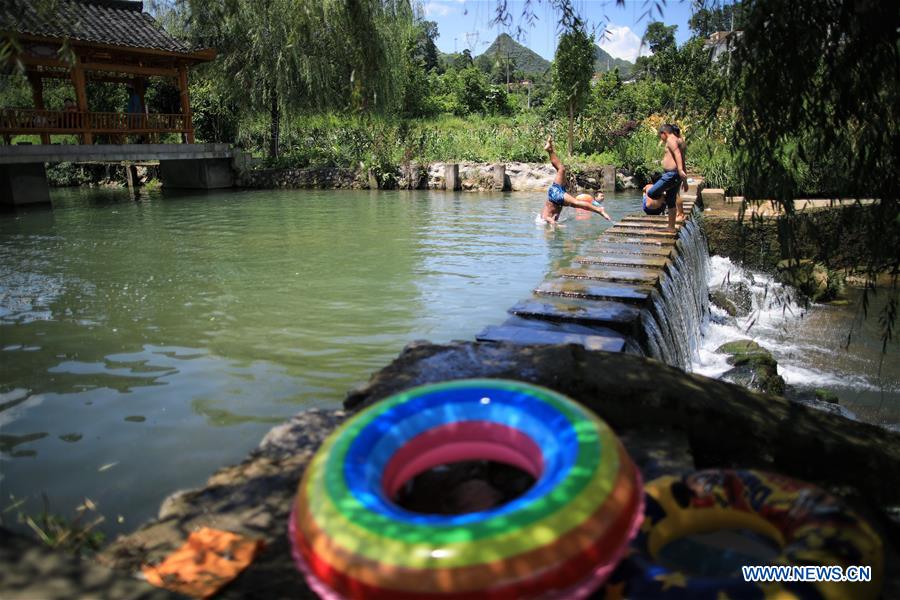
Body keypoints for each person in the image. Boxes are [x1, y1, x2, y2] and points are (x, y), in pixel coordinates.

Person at [541, 136, 613, 225]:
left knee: (576, 202)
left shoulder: (544, 218)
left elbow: (547, 218)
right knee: (561, 169)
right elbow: (548, 218)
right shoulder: (545, 216)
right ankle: (550, 150)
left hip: (556, 196)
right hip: (554, 195)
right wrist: (555, 224)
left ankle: (599, 210)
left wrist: (555, 224)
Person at [641, 124, 687, 230]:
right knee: (671, 202)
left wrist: (680, 170)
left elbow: (677, 155)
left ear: (664, 133)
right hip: (674, 174)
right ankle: (671, 227)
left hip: (671, 174)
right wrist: (684, 180)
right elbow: (682, 159)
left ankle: (664, 199)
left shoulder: (671, 140)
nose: (660, 138)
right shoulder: (679, 140)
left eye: (660, 135)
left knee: (651, 193)